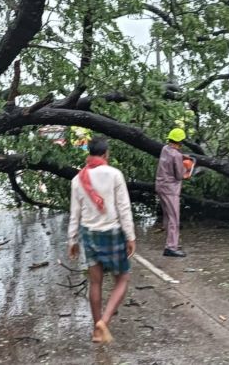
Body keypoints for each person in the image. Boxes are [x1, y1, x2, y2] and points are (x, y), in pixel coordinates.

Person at [67, 136, 136, 344]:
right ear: (106, 154)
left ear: (90, 153)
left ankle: (96, 330)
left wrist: (72, 240)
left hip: (89, 234)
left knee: (95, 282)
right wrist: (130, 235)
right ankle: (104, 322)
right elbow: (123, 207)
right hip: (112, 232)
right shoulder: (114, 174)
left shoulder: (78, 179)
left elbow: (74, 213)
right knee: (122, 278)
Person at [156, 128, 191, 258]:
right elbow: (179, 175)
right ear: (180, 141)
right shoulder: (176, 155)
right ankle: (171, 247)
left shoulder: (165, 149)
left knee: (167, 216)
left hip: (160, 186)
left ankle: (171, 242)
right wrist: (187, 171)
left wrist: (182, 157)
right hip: (170, 189)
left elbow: (173, 157)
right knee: (174, 218)